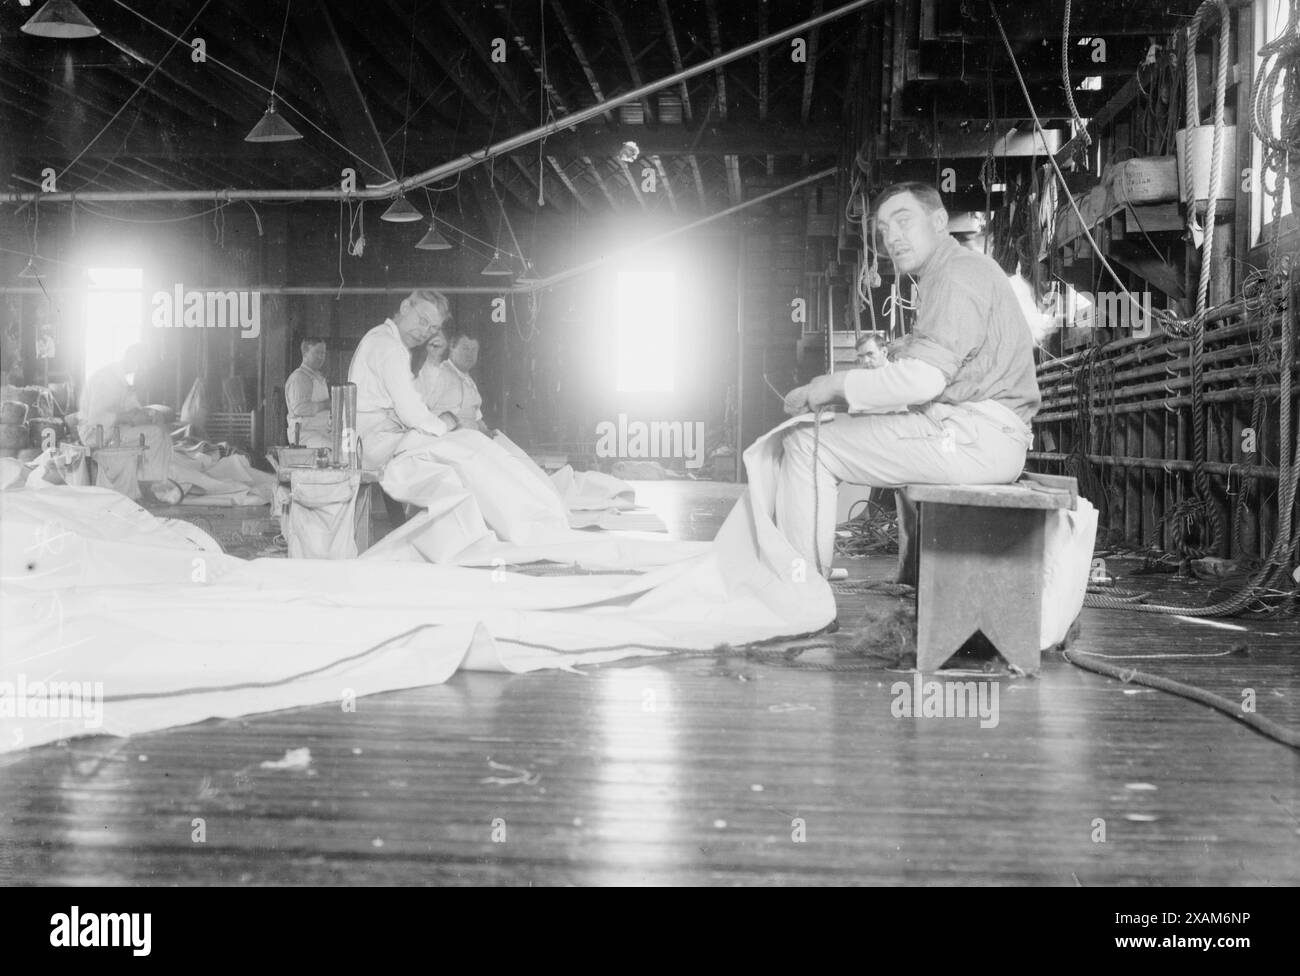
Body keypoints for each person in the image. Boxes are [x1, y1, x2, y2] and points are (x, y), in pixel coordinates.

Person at [777, 181, 1041, 575]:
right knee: (827, 433)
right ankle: (810, 569)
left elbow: (923, 382)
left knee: (805, 444)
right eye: (883, 229)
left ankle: (799, 590)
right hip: (975, 433)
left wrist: (833, 386)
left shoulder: (957, 273)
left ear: (938, 221)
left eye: (903, 221)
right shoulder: (948, 272)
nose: (892, 237)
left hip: (978, 439)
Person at [348, 289, 462, 471]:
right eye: (423, 321)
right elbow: (411, 413)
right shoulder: (389, 346)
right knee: (460, 452)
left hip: (372, 439)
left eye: (433, 328)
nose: (425, 332)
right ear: (405, 307)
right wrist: (443, 426)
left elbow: (415, 399)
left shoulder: (382, 337)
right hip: (375, 444)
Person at [77, 343, 172, 483]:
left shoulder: (121, 379)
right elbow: (96, 420)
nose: (143, 369)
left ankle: (154, 479)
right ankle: (151, 485)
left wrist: (150, 414)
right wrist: (127, 418)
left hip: (111, 430)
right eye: (143, 364)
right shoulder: (107, 379)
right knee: (155, 434)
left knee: (161, 432)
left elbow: (132, 406)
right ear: (132, 359)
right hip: (95, 435)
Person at [421, 325, 491, 435]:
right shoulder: (439, 374)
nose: (470, 354)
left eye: (474, 350)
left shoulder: (470, 382)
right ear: (452, 347)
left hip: (473, 439)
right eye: (465, 348)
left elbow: (477, 418)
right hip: (445, 439)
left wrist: (487, 432)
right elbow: (421, 411)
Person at [284, 337, 331, 448]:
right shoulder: (299, 377)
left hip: (319, 432)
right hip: (304, 436)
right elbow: (300, 409)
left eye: (323, 353)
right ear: (305, 353)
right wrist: (326, 404)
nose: (321, 357)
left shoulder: (317, 377)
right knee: (334, 451)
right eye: (317, 353)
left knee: (344, 447)